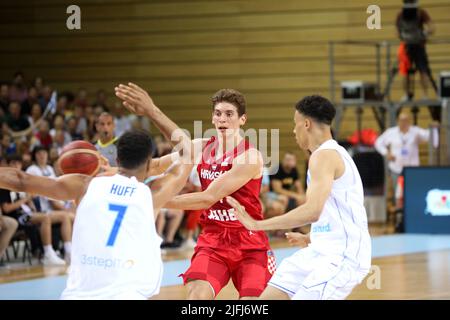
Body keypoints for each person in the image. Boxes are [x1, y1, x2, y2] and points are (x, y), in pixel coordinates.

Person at [115, 83, 274, 300]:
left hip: (249, 242)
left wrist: (151, 200)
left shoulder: (249, 157)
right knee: (196, 299)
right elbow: (154, 166)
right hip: (214, 239)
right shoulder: (200, 146)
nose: (223, 119)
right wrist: (106, 173)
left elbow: (207, 198)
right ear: (212, 118)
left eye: (229, 114)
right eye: (218, 114)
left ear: (242, 120)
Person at [0, 130, 193, 299]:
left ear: (117, 159)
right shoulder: (151, 193)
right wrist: (152, 111)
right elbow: (189, 153)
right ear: (149, 162)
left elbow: (20, 178)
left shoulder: (84, 185)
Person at [227, 95, 371, 300]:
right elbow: (339, 210)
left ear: (306, 124)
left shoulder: (324, 156)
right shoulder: (324, 156)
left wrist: (256, 225)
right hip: (320, 251)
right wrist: (313, 238)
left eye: (295, 125)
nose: (294, 131)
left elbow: (312, 211)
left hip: (342, 257)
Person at [374, 111, 432, 198]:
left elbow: (428, 135)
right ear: (398, 121)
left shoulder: (415, 131)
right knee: (398, 195)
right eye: (401, 120)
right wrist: (386, 153)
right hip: (396, 169)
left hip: (412, 170)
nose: (403, 122)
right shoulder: (391, 132)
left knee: (412, 192)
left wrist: (434, 128)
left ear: (409, 121)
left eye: (406, 120)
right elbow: (378, 143)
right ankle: (399, 210)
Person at [396, 0, 436, 100]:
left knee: (421, 71)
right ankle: (412, 95)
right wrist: (422, 35)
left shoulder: (419, 13)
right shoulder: (404, 14)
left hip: (415, 47)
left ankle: (421, 95)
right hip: (410, 47)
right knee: (409, 72)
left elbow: (432, 27)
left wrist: (423, 34)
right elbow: (432, 28)